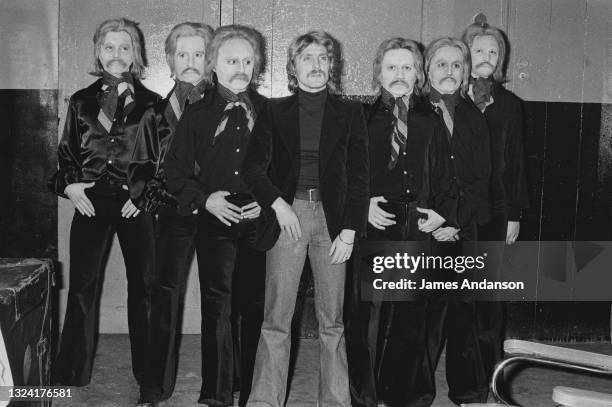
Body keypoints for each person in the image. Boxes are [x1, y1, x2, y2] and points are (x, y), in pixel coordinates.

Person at [243, 31, 369, 407]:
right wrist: (277, 205)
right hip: (289, 217)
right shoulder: (273, 110)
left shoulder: (350, 113)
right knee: (277, 317)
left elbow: (360, 175)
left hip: (333, 224)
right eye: (307, 58)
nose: (316, 65)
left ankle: (334, 401)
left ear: (332, 66)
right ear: (293, 68)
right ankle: (265, 400)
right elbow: (252, 168)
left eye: (323, 58)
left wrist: (349, 229)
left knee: (332, 320)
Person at [50, 17, 160, 390]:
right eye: (109, 47)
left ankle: (148, 373)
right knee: (83, 285)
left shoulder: (151, 105)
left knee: (143, 286)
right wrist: (72, 188)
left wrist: (144, 195)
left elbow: (163, 160)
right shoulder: (81, 102)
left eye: (124, 47)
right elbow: (66, 155)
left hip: (135, 204)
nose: (117, 54)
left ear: (136, 54)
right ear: (98, 51)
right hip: (91, 202)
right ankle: (71, 372)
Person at [345, 37, 455, 407]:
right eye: (391, 67)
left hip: (417, 222)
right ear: (378, 72)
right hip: (377, 219)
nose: (399, 74)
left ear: (419, 73)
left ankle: (404, 396)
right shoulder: (361, 119)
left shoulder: (431, 119)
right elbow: (346, 174)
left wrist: (442, 211)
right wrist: (363, 205)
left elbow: (444, 174)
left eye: (407, 67)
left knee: (411, 315)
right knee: (370, 316)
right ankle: (365, 396)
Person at [163, 24, 267, 407]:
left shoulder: (268, 112)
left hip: (257, 219)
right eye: (230, 60)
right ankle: (217, 394)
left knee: (253, 306)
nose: (240, 67)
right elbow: (175, 171)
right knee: (219, 306)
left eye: (247, 60)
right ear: (214, 65)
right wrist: (204, 200)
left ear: (256, 66)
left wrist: (268, 200)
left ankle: (252, 391)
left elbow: (284, 169)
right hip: (215, 218)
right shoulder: (198, 114)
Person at [127, 22, 213, 406]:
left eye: (198, 54)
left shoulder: (230, 108)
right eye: (183, 55)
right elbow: (141, 173)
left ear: (209, 59)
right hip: (174, 214)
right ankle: (154, 385)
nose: (191, 62)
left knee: (221, 299)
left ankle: (222, 386)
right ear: (170, 61)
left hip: (218, 213)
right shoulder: (155, 115)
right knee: (164, 296)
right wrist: (168, 202)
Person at [423, 37, 492, 405]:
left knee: (466, 308)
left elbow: (482, 180)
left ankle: (468, 390)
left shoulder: (474, 118)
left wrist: (457, 220)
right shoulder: (414, 114)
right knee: (425, 314)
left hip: (464, 228)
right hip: (426, 228)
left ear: (465, 72)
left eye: (456, 65)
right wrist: (435, 219)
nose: (449, 71)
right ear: (427, 69)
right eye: (441, 64)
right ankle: (415, 391)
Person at [462, 19, 530, 384]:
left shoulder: (511, 106)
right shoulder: (450, 99)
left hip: (497, 213)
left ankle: (490, 376)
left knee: (489, 298)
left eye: (493, 52)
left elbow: (516, 164)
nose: (486, 58)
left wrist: (514, 215)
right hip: (455, 214)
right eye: (479, 50)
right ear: (465, 54)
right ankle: (462, 380)